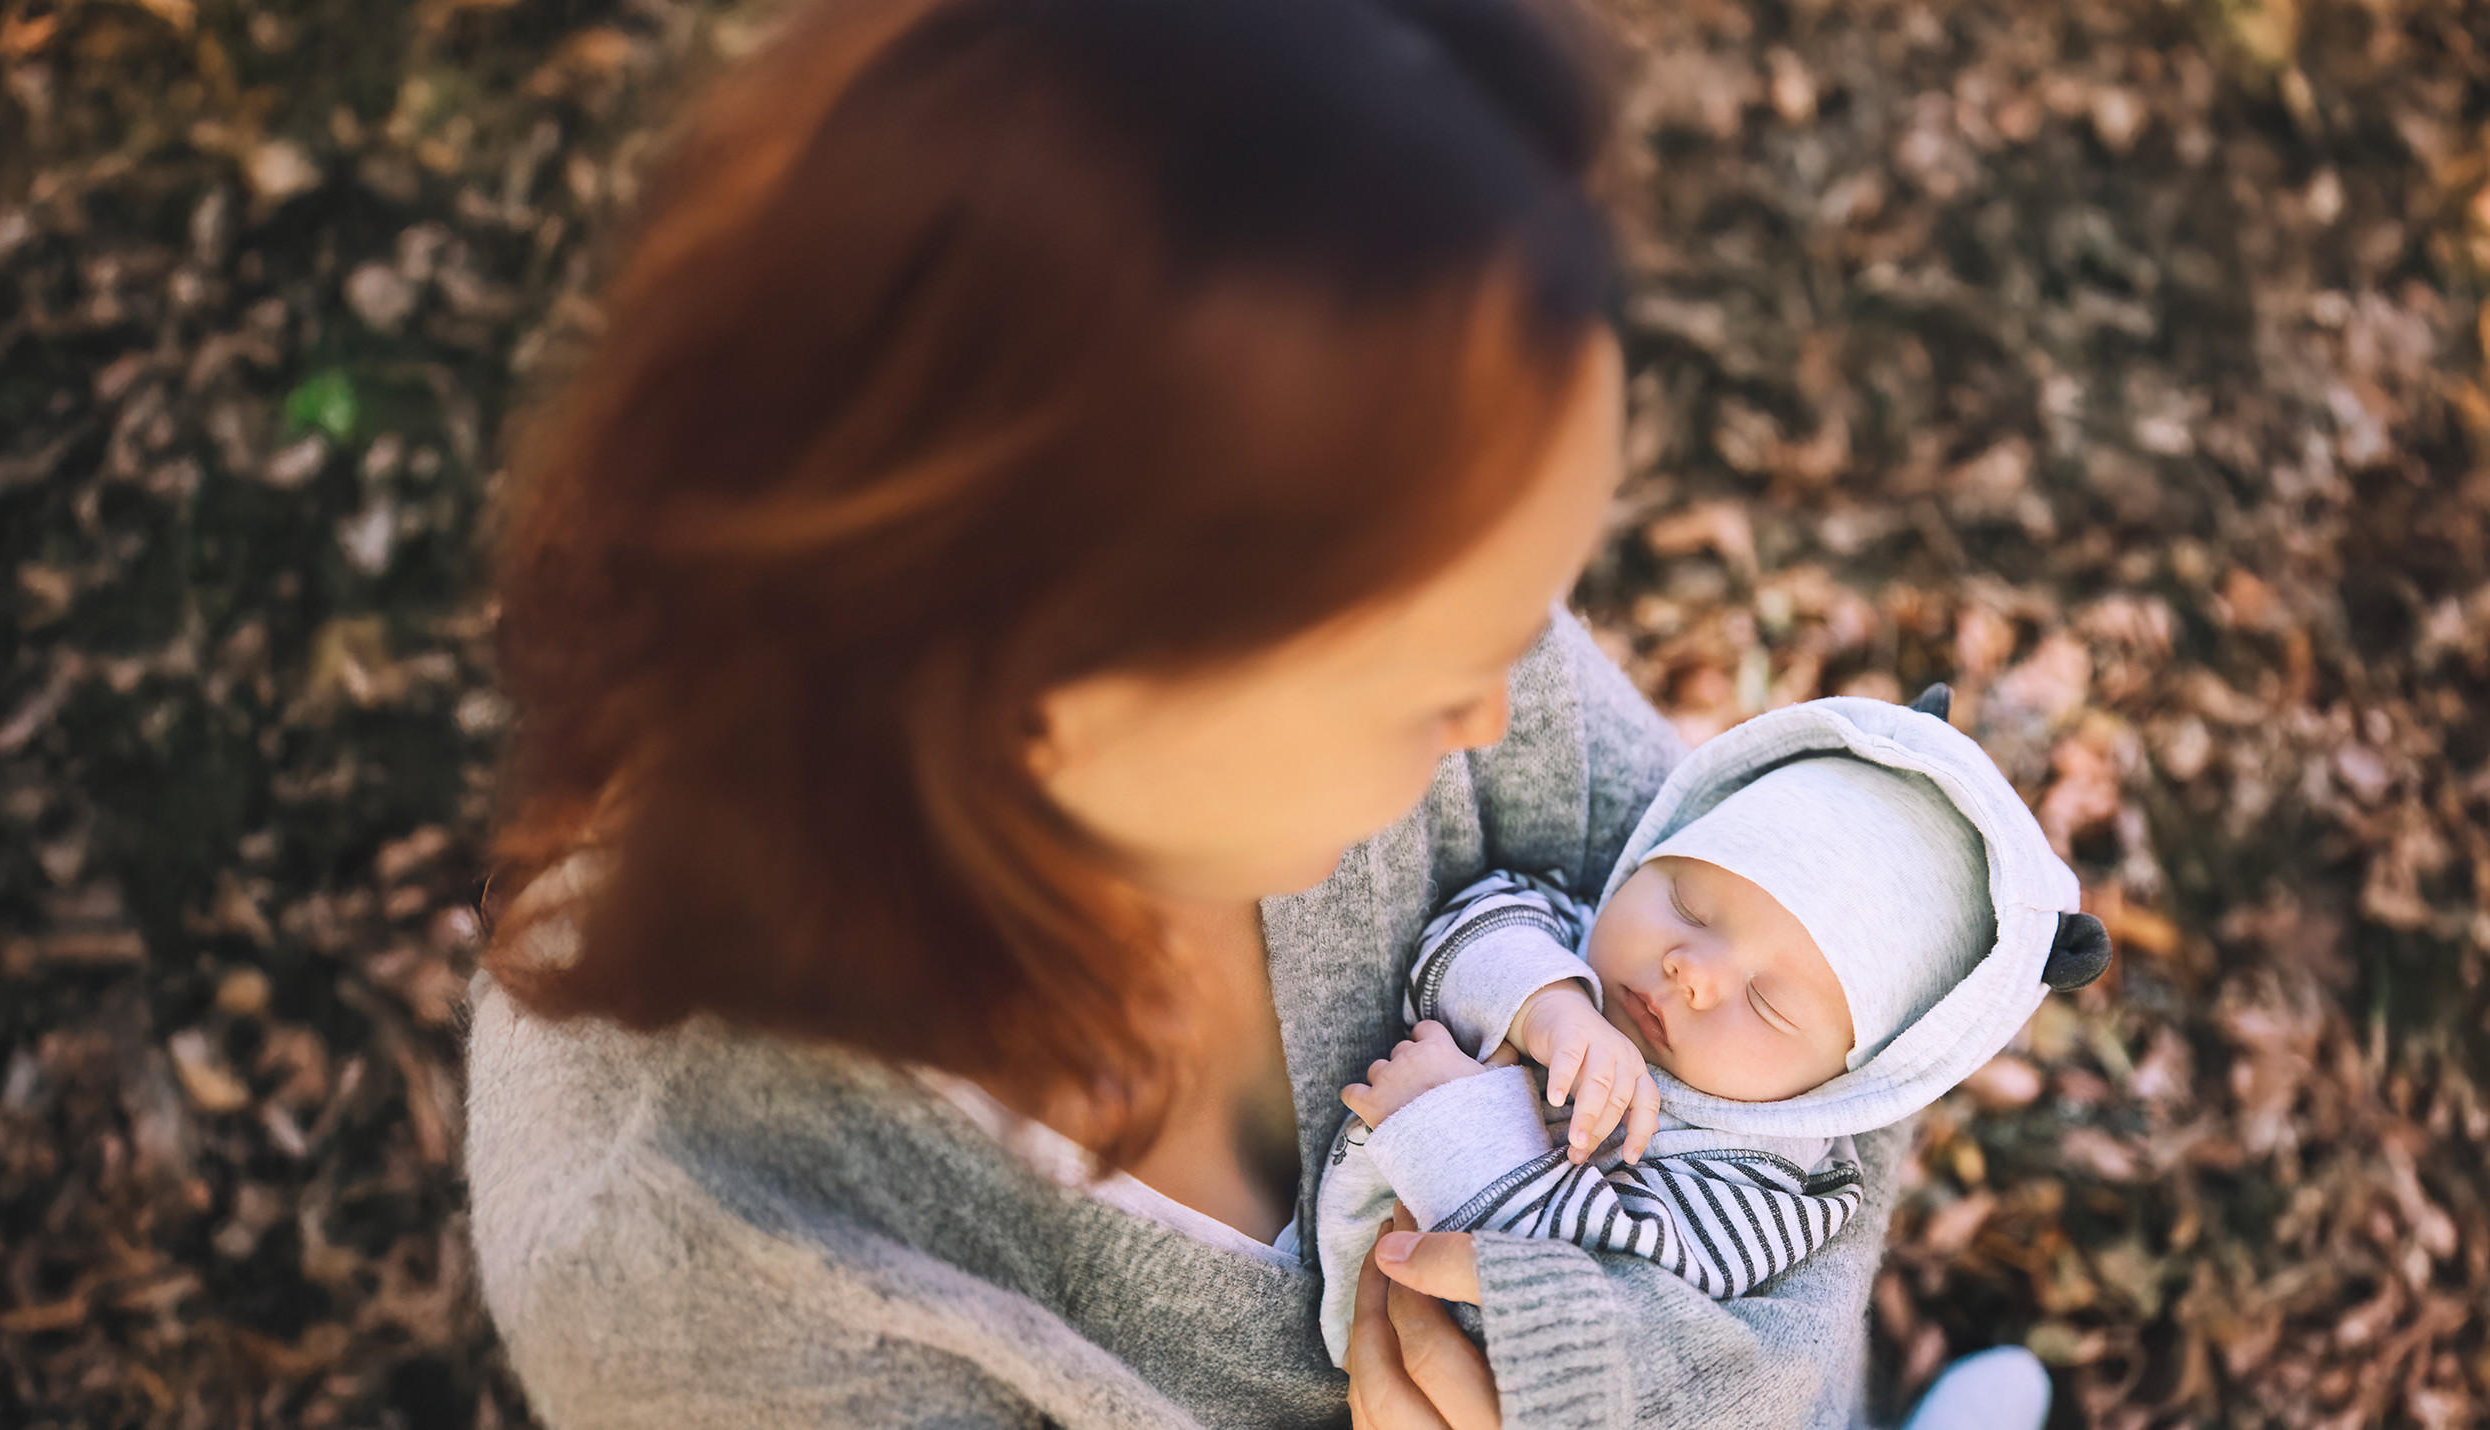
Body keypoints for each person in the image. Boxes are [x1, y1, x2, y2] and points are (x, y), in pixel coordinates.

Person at [464, 0, 1938, 1424]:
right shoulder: (716, 1275)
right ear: (1046, 684)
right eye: (1435, 675)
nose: (1509, 708)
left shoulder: (1400, 534)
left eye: (1530, 610)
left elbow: (1835, 1083)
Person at [1314, 690, 2115, 1361]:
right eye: (1686, 903)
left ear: (1852, 1078)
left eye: (1768, 1002)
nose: (1691, 971)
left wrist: (1455, 1125)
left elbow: (1601, 1303)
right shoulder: (1573, 942)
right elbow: (1469, 928)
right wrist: (1546, 1001)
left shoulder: (1767, 1187)